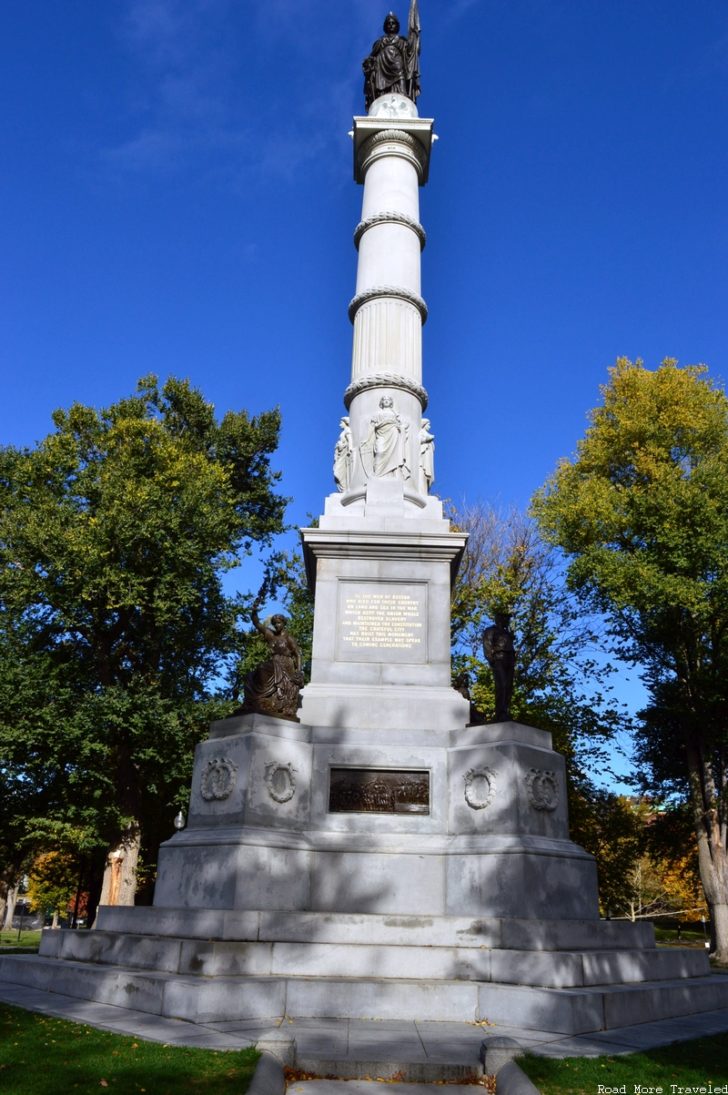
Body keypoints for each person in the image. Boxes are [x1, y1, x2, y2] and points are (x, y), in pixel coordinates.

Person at [240, 604, 304, 722]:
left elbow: (297, 654)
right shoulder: (270, 635)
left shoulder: (288, 638)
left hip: (285, 664)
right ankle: (259, 699)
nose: (277, 625)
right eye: (274, 623)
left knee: (262, 668)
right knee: (251, 675)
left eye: (279, 623)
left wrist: (299, 671)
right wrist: (254, 611)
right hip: (274, 663)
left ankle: (262, 697)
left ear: (284, 623)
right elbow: (257, 624)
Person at [363, 9, 421, 110]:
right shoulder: (381, 41)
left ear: (396, 25)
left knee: (401, 77)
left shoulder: (402, 41)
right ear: (385, 26)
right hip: (382, 65)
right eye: (389, 23)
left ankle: (402, 95)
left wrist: (415, 38)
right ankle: (381, 96)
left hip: (397, 63)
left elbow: (410, 53)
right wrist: (368, 63)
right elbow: (371, 56)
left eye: (393, 23)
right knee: (381, 84)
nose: (391, 25)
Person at [360, 395, 410, 480]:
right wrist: (367, 439)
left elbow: (403, 424)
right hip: (381, 434)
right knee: (380, 452)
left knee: (394, 455)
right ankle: (377, 474)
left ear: (391, 402)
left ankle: (391, 474)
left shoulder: (395, 414)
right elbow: (372, 427)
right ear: (382, 402)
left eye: (388, 400)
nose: (386, 401)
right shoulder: (378, 414)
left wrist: (401, 427)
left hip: (393, 434)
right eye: (384, 400)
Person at [482, 613, 516, 722]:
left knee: (509, 686)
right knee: (501, 685)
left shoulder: (507, 633)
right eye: (505, 618)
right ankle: (500, 712)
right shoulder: (491, 630)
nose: (507, 621)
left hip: (509, 659)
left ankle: (505, 711)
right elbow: (487, 644)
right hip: (499, 659)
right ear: (499, 619)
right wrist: (491, 659)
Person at [333, 416, 354, 492]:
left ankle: (344, 489)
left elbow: (350, 439)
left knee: (338, 473)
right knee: (337, 472)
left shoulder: (347, 430)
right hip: (341, 454)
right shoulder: (344, 431)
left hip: (345, 453)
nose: (340, 424)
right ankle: (343, 489)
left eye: (341, 422)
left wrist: (350, 449)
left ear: (346, 423)